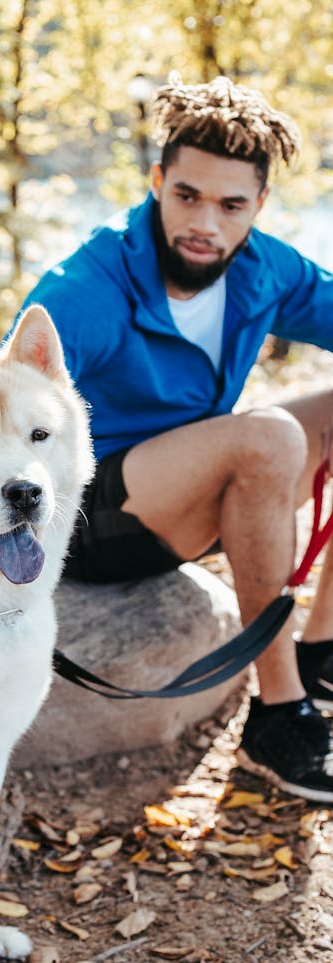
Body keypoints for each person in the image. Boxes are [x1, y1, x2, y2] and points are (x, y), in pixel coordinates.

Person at [18, 75, 333, 802]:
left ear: (258, 206)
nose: (205, 223)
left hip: (187, 489)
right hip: (89, 514)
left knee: (274, 436)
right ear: (158, 181)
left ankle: (320, 651)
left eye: (231, 205)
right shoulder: (85, 290)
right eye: (187, 195)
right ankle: (279, 712)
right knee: (269, 440)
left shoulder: (264, 268)